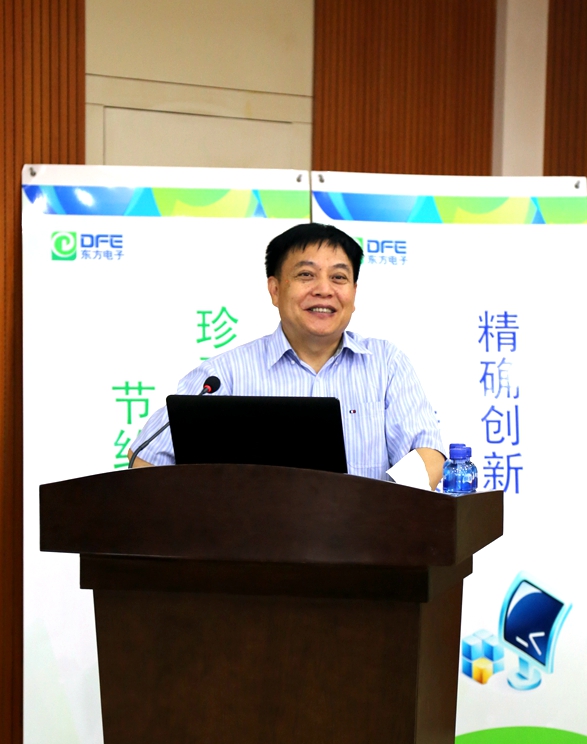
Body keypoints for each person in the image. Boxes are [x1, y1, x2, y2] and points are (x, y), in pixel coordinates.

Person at [128, 223, 445, 487]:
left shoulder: (386, 364)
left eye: (338, 277)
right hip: (252, 542)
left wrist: (376, 513)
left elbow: (427, 453)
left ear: (353, 293)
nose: (324, 290)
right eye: (306, 275)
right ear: (275, 289)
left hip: (366, 539)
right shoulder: (225, 375)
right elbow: (147, 458)